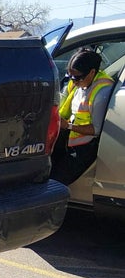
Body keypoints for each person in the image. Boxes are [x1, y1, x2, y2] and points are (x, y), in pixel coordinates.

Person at [50, 48, 115, 185]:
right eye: (70, 76)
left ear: (92, 72)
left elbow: (96, 130)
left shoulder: (102, 91)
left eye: (77, 78)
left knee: (56, 182)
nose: (73, 82)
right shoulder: (77, 83)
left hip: (85, 149)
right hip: (69, 142)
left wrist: (68, 126)